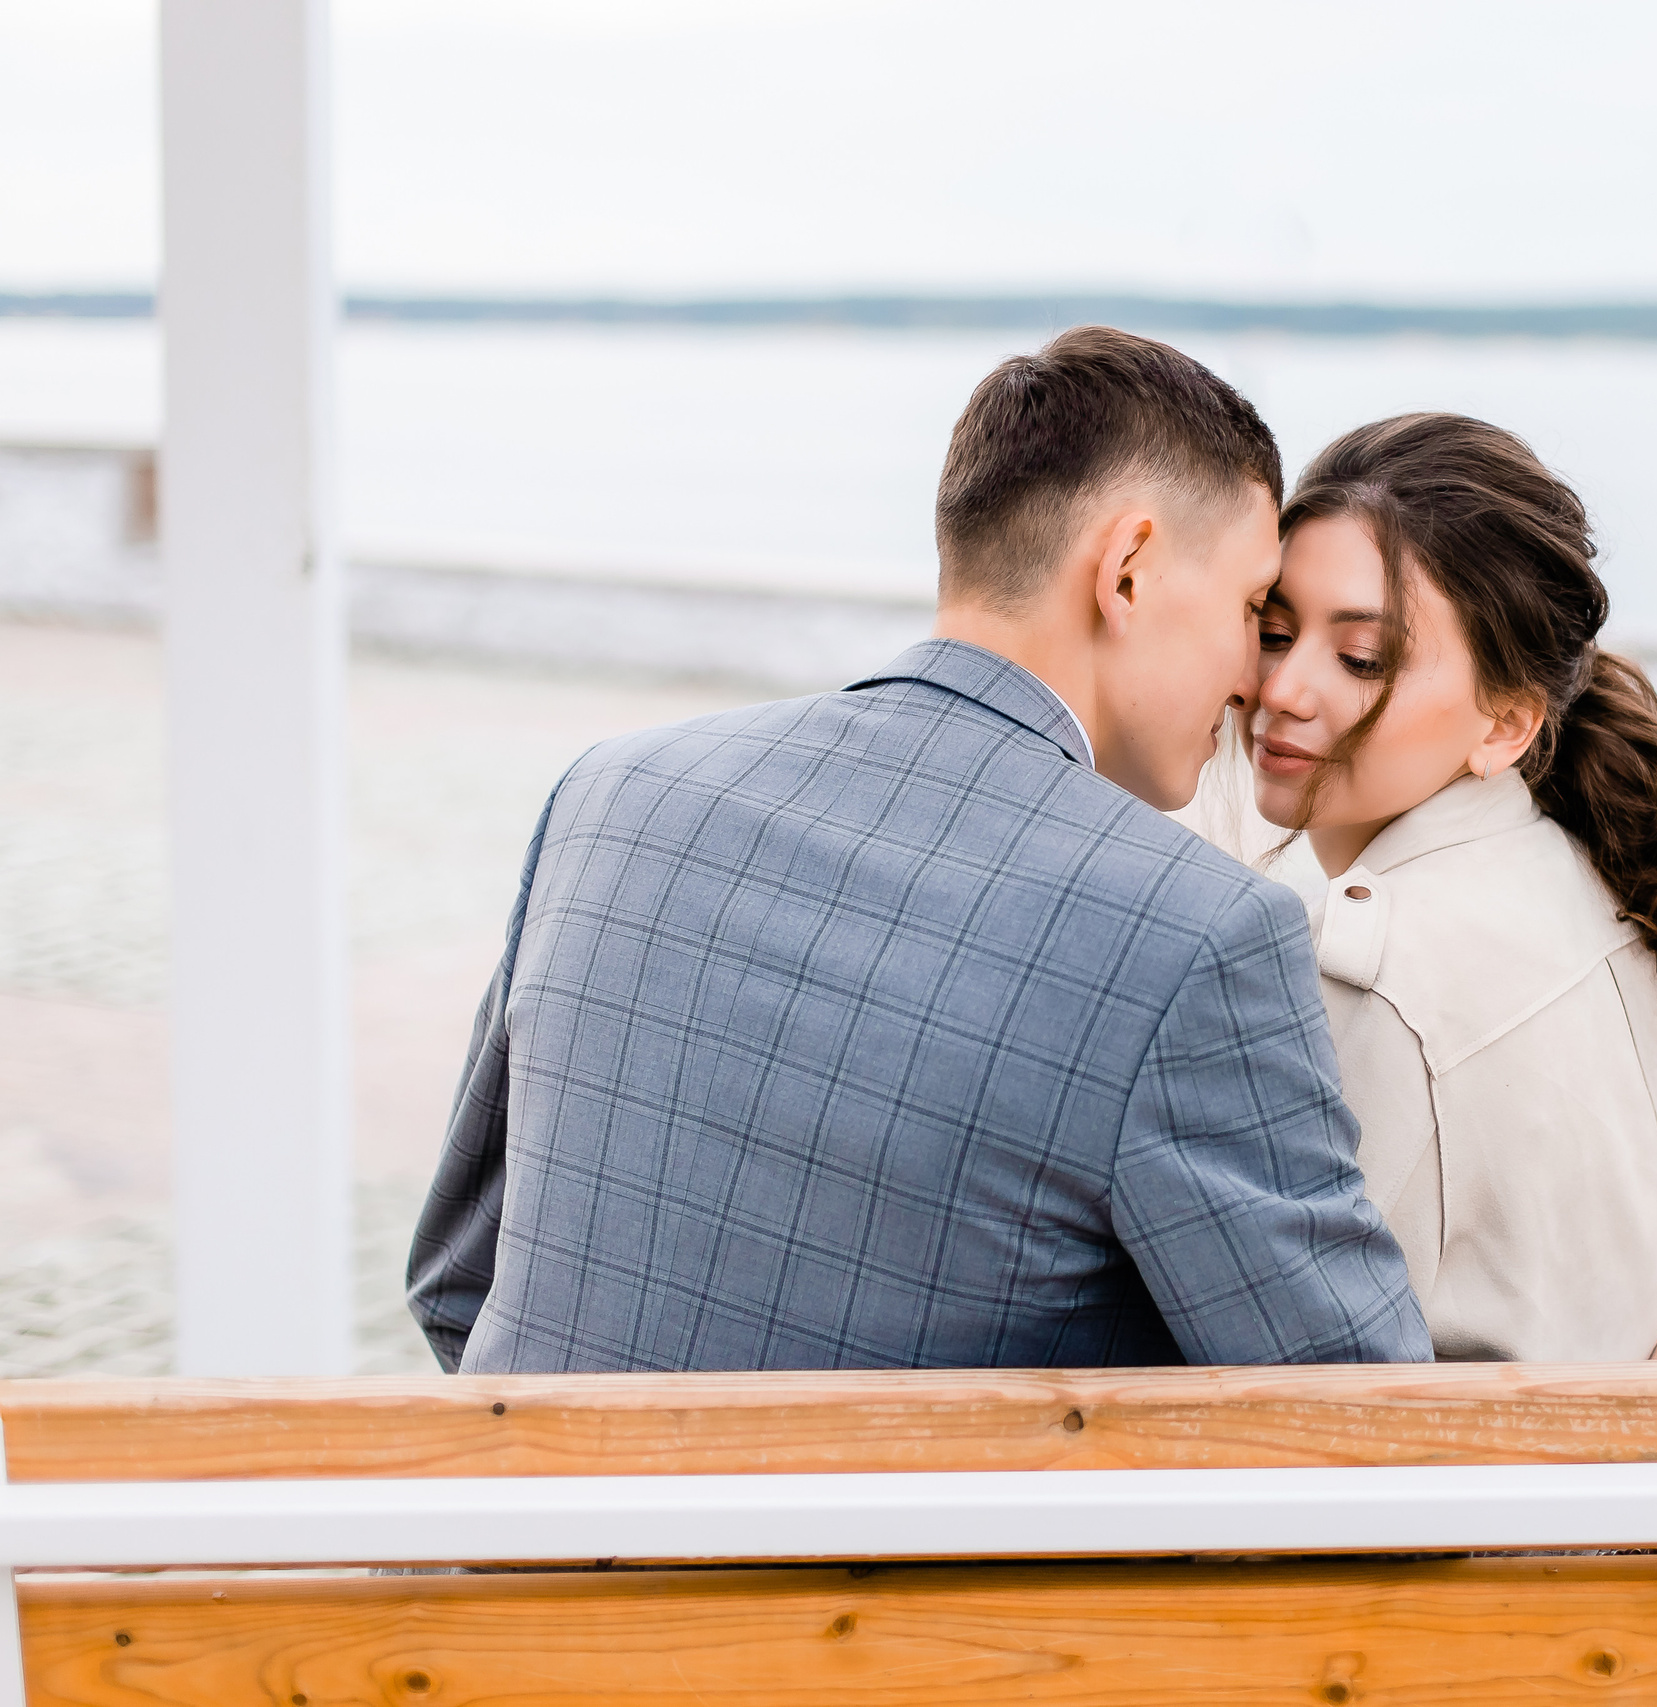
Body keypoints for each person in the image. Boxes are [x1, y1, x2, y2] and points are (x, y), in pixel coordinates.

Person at [407, 327, 1432, 1373]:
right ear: (1126, 572)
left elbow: (454, 1287)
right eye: (1255, 608)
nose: (1257, 681)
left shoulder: (608, 798)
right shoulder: (1199, 935)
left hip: (512, 1534)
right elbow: (1363, 1417)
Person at [1245, 413, 1657, 1364]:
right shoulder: (1611, 887)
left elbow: (1296, 1388)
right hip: (1627, 1495)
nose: (1284, 688)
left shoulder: (1368, 974)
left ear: (1504, 725)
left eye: (1361, 658)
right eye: (1274, 629)